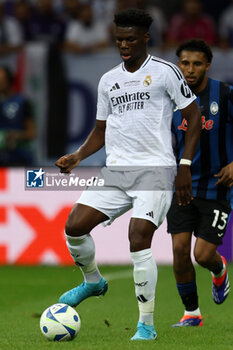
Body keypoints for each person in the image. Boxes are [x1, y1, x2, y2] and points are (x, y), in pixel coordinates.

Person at [56, 8, 202, 341]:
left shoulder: (165, 72)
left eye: (130, 39)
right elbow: (100, 129)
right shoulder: (108, 80)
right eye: (119, 39)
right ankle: (93, 282)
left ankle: (146, 325)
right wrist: (78, 155)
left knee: (138, 237)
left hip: (156, 170)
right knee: (74, 227)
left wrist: (185, 165)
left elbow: (194, 118)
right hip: (117, 170)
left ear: (145, 38)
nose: (124, 45)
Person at [167, 39, 233, 327]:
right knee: (180, 251)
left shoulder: (225, 94)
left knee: (202, 254)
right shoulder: (167, 98)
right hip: (181, 187)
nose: (190, 69)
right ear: (177, 65)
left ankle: (219, 269)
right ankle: (192, 314)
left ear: (207, 65)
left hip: (216, 186)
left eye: (196, 64)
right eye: (185, 63)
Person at [0, 66, 36, 166]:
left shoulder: (22, 102)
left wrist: (16, 135)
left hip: (19, 158)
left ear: (9, 81)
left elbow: (32, 133)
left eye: (1, 79)